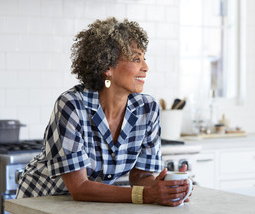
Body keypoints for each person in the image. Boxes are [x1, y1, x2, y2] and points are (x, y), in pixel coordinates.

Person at [16, 17, 191, 206]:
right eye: (136, 59)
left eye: (144, 59)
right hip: (40, 202)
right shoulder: (71, 105)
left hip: (88, 205)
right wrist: (147, 195)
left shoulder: (147, 109)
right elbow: (80, 187)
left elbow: (141, 175)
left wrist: (163, 188)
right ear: (107, 67)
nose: (145, 68)